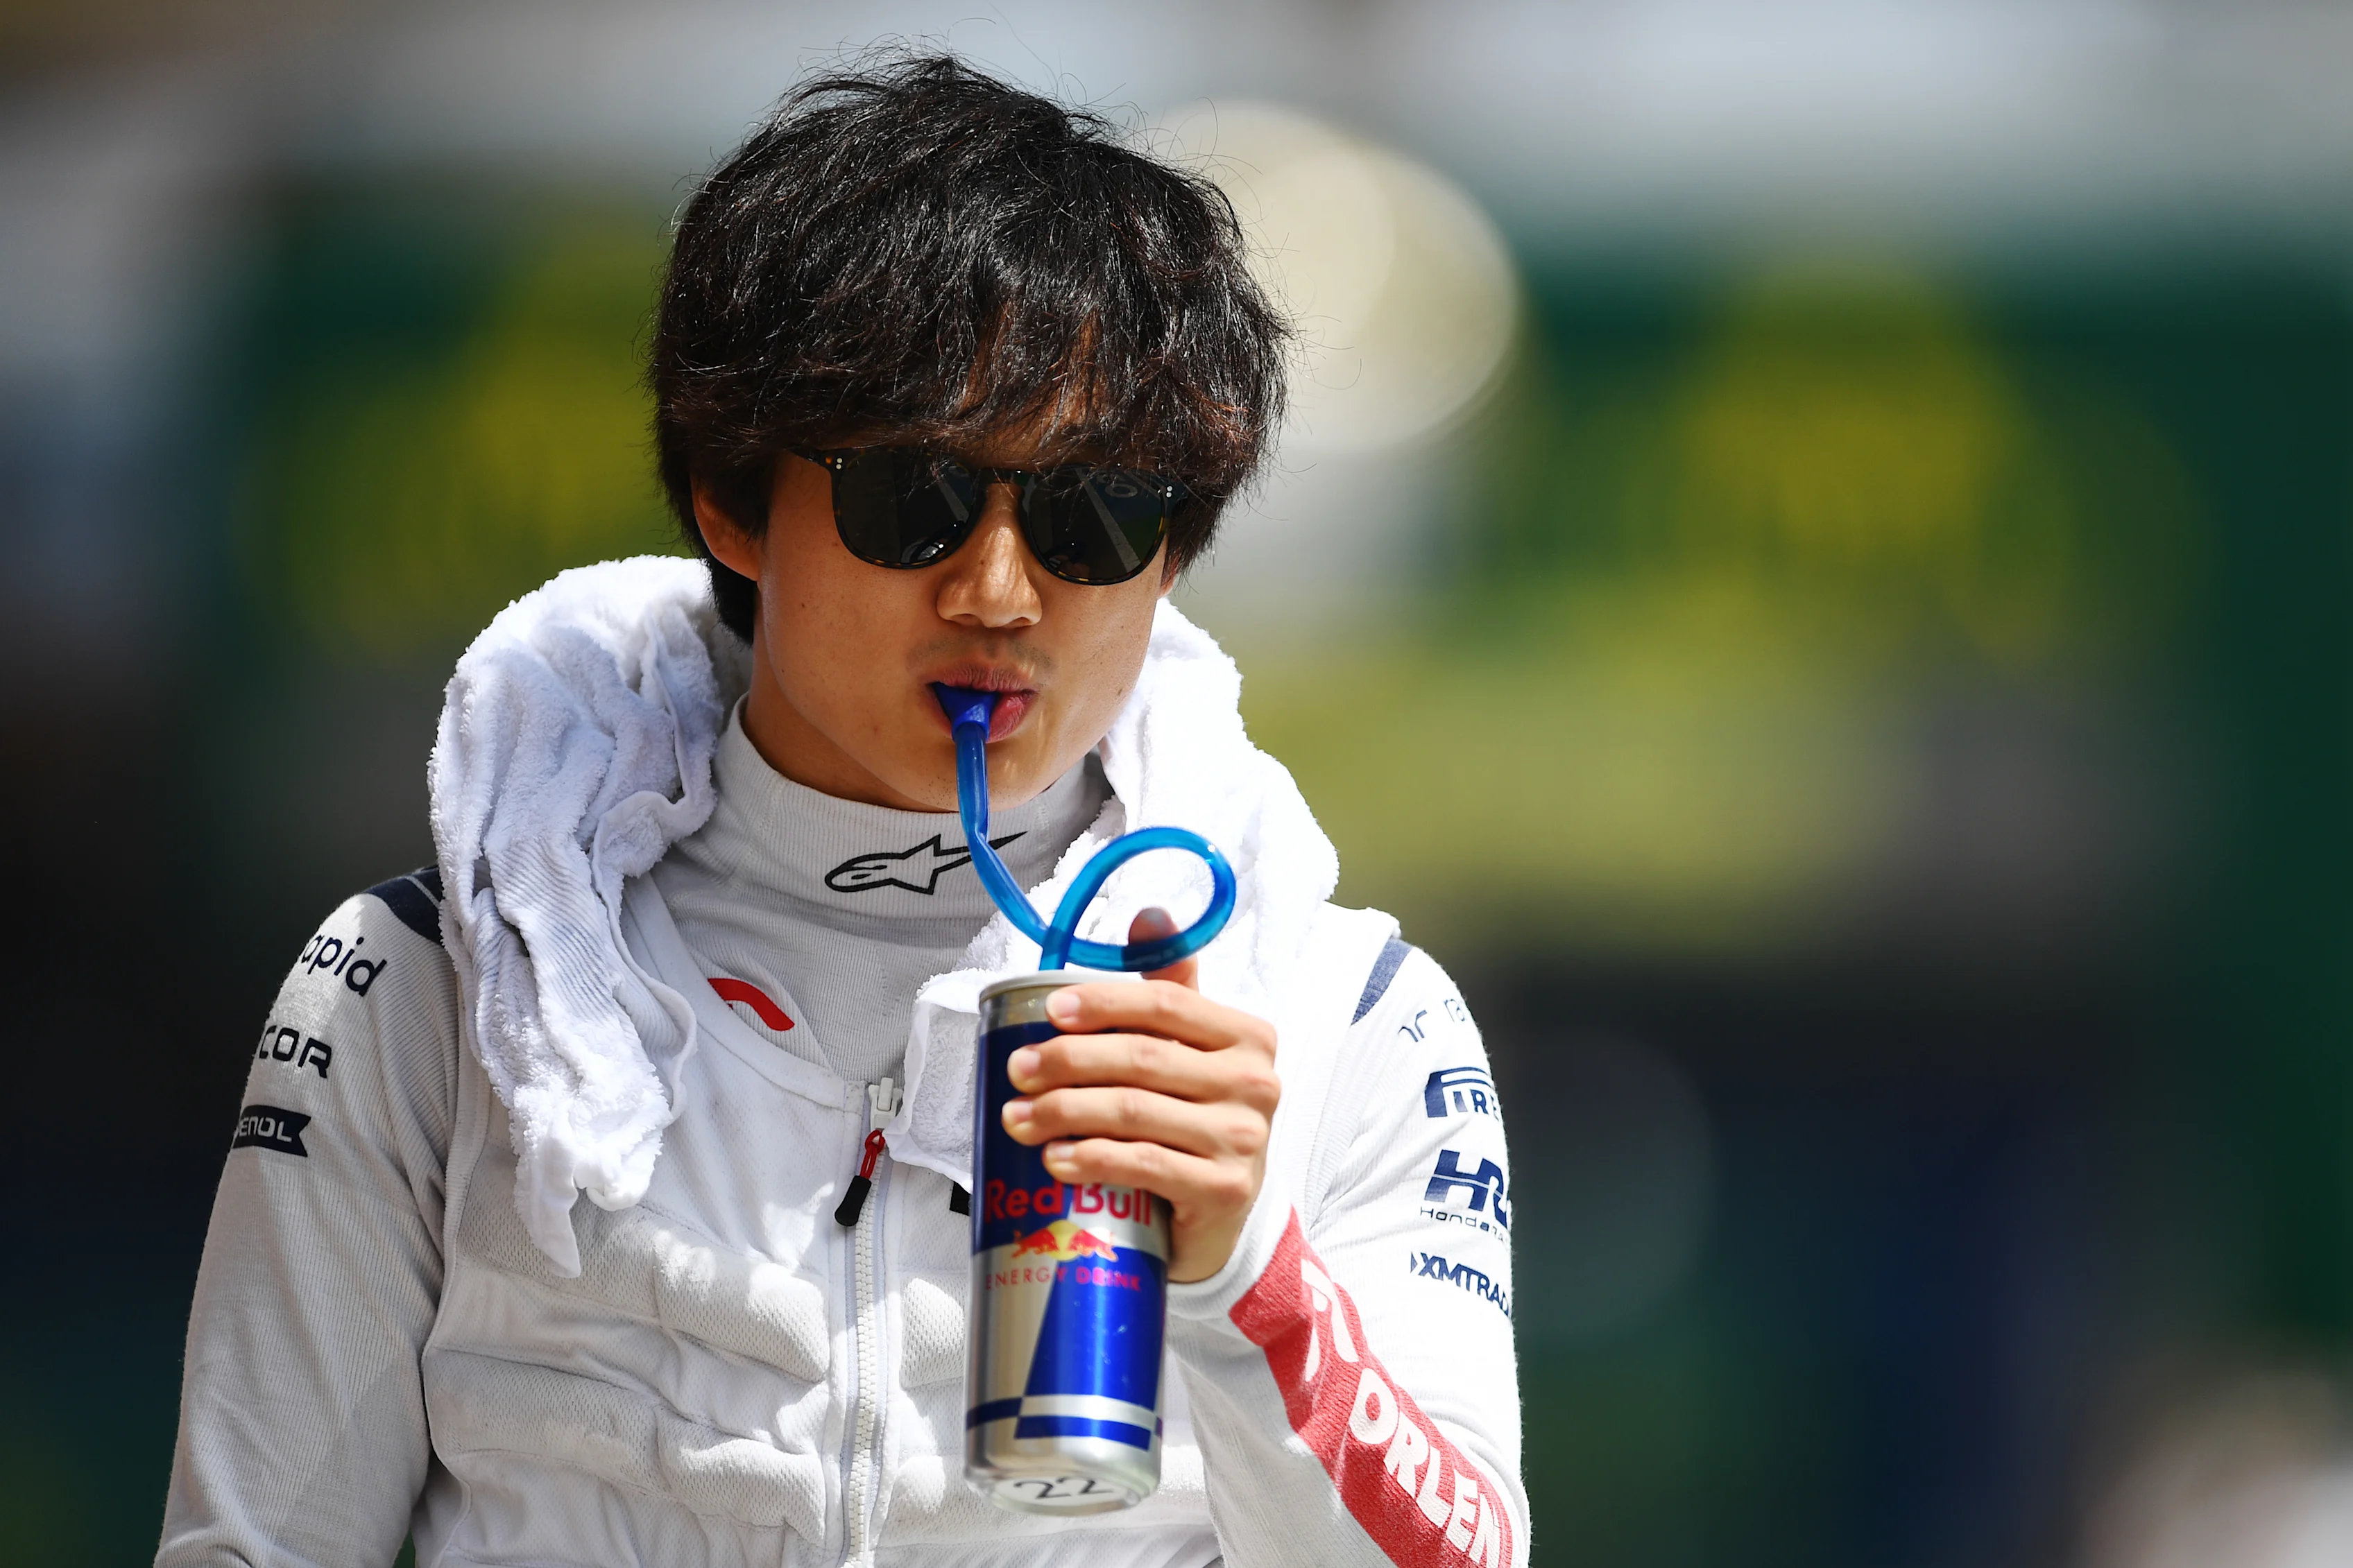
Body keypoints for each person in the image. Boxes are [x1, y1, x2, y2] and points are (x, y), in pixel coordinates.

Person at [157, 52, 1523, 1568]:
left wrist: (1242, 1272)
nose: (998, 591)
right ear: (734, 503)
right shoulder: (438, 985)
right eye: (910, 498)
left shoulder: (1345, 1018)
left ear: (1173, 554)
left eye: (1095, 514)